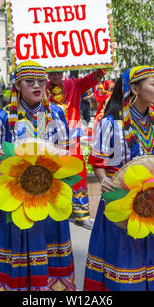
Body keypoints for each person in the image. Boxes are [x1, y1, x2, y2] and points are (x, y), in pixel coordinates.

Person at [84, 66, 154, 291]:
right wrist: (103, 180)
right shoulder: (111, 124)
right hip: (120, 202)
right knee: (124, 260)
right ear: (135, 89)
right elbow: (99, 162)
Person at [0, 60, 75, 291]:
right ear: (17, 85)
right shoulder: (5, 117)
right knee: (14, 242)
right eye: (30, 81)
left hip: (48, 194)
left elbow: (67, 154)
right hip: (15, 194)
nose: (37, 86)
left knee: (49, 244)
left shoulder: (56, 114)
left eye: (41, 81)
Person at [47, 68, 106, 229]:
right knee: (50, 175)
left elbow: (94, 78)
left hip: (72, 140)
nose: (55, 76)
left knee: (78, 175)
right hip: (49, 140)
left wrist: (107, 58)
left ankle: (82, 214)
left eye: (58, 72)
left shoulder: (73, 85)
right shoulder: (41, 87)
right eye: (51, 73)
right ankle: (52, 213)